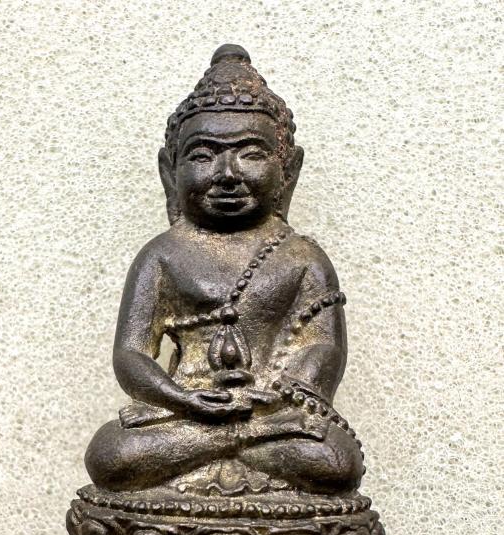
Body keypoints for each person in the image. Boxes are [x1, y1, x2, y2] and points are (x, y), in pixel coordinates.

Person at [85, 45, 363, 496]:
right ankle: (233, 439)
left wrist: (278, 396)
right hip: (186, 409)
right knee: (111, 456)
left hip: (270, 412)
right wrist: (183, 399)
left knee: (334, 462)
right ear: (170, 171)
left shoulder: (302, 257)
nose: (227, 174)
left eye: (251, 155)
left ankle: (229, 439)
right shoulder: (161, 256)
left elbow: (324, 347)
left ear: (287, 170)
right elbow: (131, 355)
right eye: (203, 156)